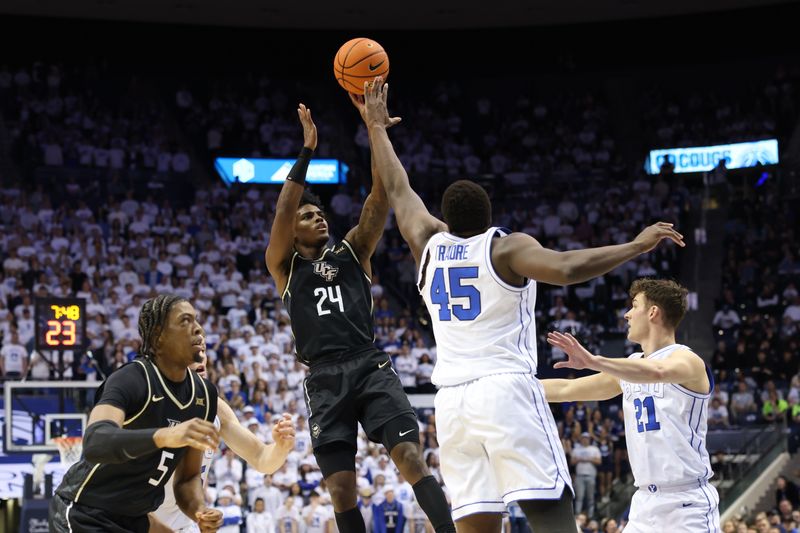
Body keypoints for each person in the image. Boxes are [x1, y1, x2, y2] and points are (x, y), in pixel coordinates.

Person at [360, 77, 684, 533]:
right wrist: (635, 245)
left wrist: (376, 127)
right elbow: (569, 268)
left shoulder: (428, 243)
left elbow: (397, 187)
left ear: (447, 220)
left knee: (477, 521)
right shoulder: (505, 249)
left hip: (450, 401)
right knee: (551, 513)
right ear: (490, 217)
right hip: (504, 388)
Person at [264, 103, 454, 533]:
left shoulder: (353, 249)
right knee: (341, 490)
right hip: (324, 376)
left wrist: (374, 130)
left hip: (369, 364)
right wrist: (307, 150)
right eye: (308, 215)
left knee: (409, 457)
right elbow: (281, 211)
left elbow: (380, 194)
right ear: (293, 232)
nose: (318, 217)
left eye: (321, 213)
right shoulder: (283, 265)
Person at [542, 279, 720, 532]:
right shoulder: (632, 364)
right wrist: (510, 388)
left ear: (653, 312)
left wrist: (595, 360)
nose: (626, 314)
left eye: (634, 306)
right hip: (644, 504)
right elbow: (566, 389)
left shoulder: (687, 359)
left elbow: (658, 371)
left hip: (686, 504)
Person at [49, 295, 223, 533]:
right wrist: (166, 436)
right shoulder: (131, 379)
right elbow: (95, 441)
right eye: (185, 321)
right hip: (86, 513)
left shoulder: (204, 395)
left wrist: (200, 510)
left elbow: (187, 479)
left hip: (136, 517)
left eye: (196, 320)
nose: (198, 329)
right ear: (159, 336)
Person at [151, 350, 296, 532]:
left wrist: (281, 448)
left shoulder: (215, 407)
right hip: (143, 521)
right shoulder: (150, 401)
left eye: (203, 349)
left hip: (186, 524)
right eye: (192, 346)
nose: (200, 355)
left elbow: (261, 459)